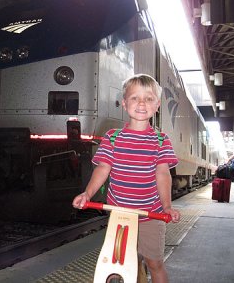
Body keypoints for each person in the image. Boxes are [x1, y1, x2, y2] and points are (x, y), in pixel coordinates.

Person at [72, 74, 180, 283]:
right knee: (117, 264)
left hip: (152, 216)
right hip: (120, 215)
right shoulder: (113, 137)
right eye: (135, 98)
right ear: (124, 103)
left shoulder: (160, 140)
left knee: (155, 263)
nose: (141, 103)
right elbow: (103, 168)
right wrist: (87, 193)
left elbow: (162, 174)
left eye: (149, 99)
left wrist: (167, 207)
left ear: (157, 105)